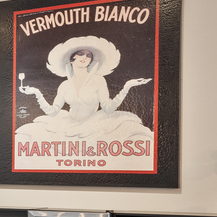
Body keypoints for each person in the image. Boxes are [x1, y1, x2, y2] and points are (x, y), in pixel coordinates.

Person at [16, 35, 152, 145]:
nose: (85, 58)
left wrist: (127, 87)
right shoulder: (64, 85)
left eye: (88, 56)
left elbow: (108, 108)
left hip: (94, 124)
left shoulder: (98, 80)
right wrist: (37, 93)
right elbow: (52, 112)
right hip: (67, 125)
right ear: (72, 59)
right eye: (80, 54)